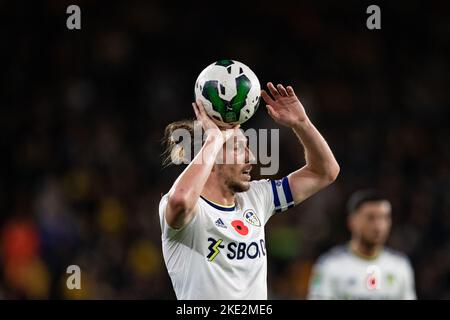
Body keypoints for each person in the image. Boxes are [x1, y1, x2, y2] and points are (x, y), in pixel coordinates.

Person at [159, 82, 340, 299]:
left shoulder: (256, 197)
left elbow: (325, 172)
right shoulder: (189, 209)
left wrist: (302, 124)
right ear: (211, 158)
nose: (251, 158)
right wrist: (214, 140)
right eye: (238, 148)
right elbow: (180, 200)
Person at [307, 189, 417, 299]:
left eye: (384, 218)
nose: (378, 226)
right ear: (352, 222)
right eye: (370, 218)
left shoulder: (400, 266)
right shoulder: (330, 265)